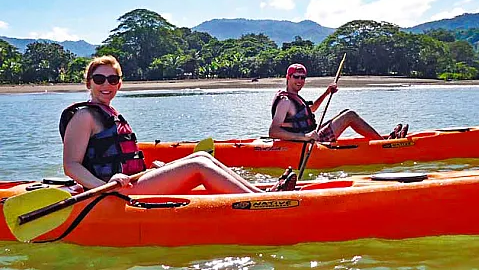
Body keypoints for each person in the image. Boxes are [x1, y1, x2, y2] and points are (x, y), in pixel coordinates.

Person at [62, 55, 296, 194]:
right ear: (88, 83)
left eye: (112, 79)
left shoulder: (109, 113)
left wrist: (149, 171)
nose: (106, 84)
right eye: (99, 79)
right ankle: (259, 201)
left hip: (132, 182)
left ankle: (261, 192)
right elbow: (71, 166)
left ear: (119, 84)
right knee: (198, 168)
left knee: (202, 158)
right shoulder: (84, 116)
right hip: (112, 191)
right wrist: (103, 185)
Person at [269, 63, 408, 142]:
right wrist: (304, 137)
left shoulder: (295, 97)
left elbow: (309, 111)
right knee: (350, 116)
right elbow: (273, 131)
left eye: (303, 77)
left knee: (344, 112)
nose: (300, 80)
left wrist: (327, 92)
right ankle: (384, 144)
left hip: (310, 136)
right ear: (288, 77)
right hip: (308, 142)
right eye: (296, 77)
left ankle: (381, 139)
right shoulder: (285, 101)